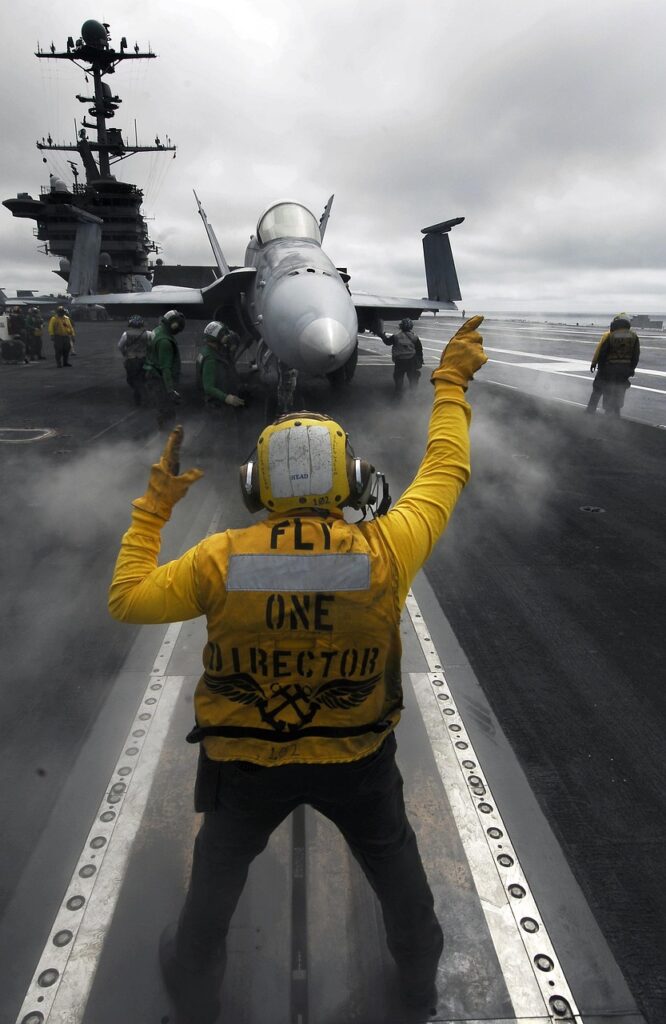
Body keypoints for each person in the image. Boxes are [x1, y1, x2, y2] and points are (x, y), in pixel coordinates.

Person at [108, 316, 487, 1024]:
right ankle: (418, 996)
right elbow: (446, 469)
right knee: (404, 892)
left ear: (256, 484)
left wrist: (152, 511)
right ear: (351, 479)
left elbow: (126, 599)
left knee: (209, 902)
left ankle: (195, 1004)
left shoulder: (220, 558)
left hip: (245, 767)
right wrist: (450, 383)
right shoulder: (386, 550)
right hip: (359, 762)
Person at [587, 313, 640, 417]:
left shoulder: (611, 336)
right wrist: (631, 369)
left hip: (608, 370)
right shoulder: (634, 337)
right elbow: (636, 356)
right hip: (624, 371)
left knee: (600, 389)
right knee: (619, 392)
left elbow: (602, 353)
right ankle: (616, 417)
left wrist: (598, 366)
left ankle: (592, 413)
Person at [144, 310, 186, 427]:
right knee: (167, 413)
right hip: (160, 381)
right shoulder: (165, 342)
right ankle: (165, 439)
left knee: (162, 410)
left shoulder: (157, 330)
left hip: (153, 376)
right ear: (174, 325)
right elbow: (166, 368)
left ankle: (164, 434)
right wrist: (170, 390)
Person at [195, 321, 246, 410]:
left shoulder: (209, 351)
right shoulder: (210, 359)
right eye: (224, 335)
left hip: (219, 403)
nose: (227, 337)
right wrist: (227, 398)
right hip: (217, 406)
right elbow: (208, 388)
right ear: (218, 337)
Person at [381, 318, 424, 395]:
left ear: (401, 326)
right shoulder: (415, 337)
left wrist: (382, 336)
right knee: (412, 377)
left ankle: (398, 393)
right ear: (411, 327)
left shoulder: (396, 336)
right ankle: (414, 394)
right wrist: (420, 361)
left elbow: (387, 342)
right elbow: (419, 350)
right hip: (411, 360)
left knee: (398, 377)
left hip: (400, 361)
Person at [118, 314, 152, 405]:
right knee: (141, 378)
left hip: (131, 360)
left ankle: (140, 395)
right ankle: (141, 394)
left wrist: (124, 353)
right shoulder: (148, 333)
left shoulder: (126, 334)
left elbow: (120, 346)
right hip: (143, 359)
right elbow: (151, 345)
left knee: (131, 379)